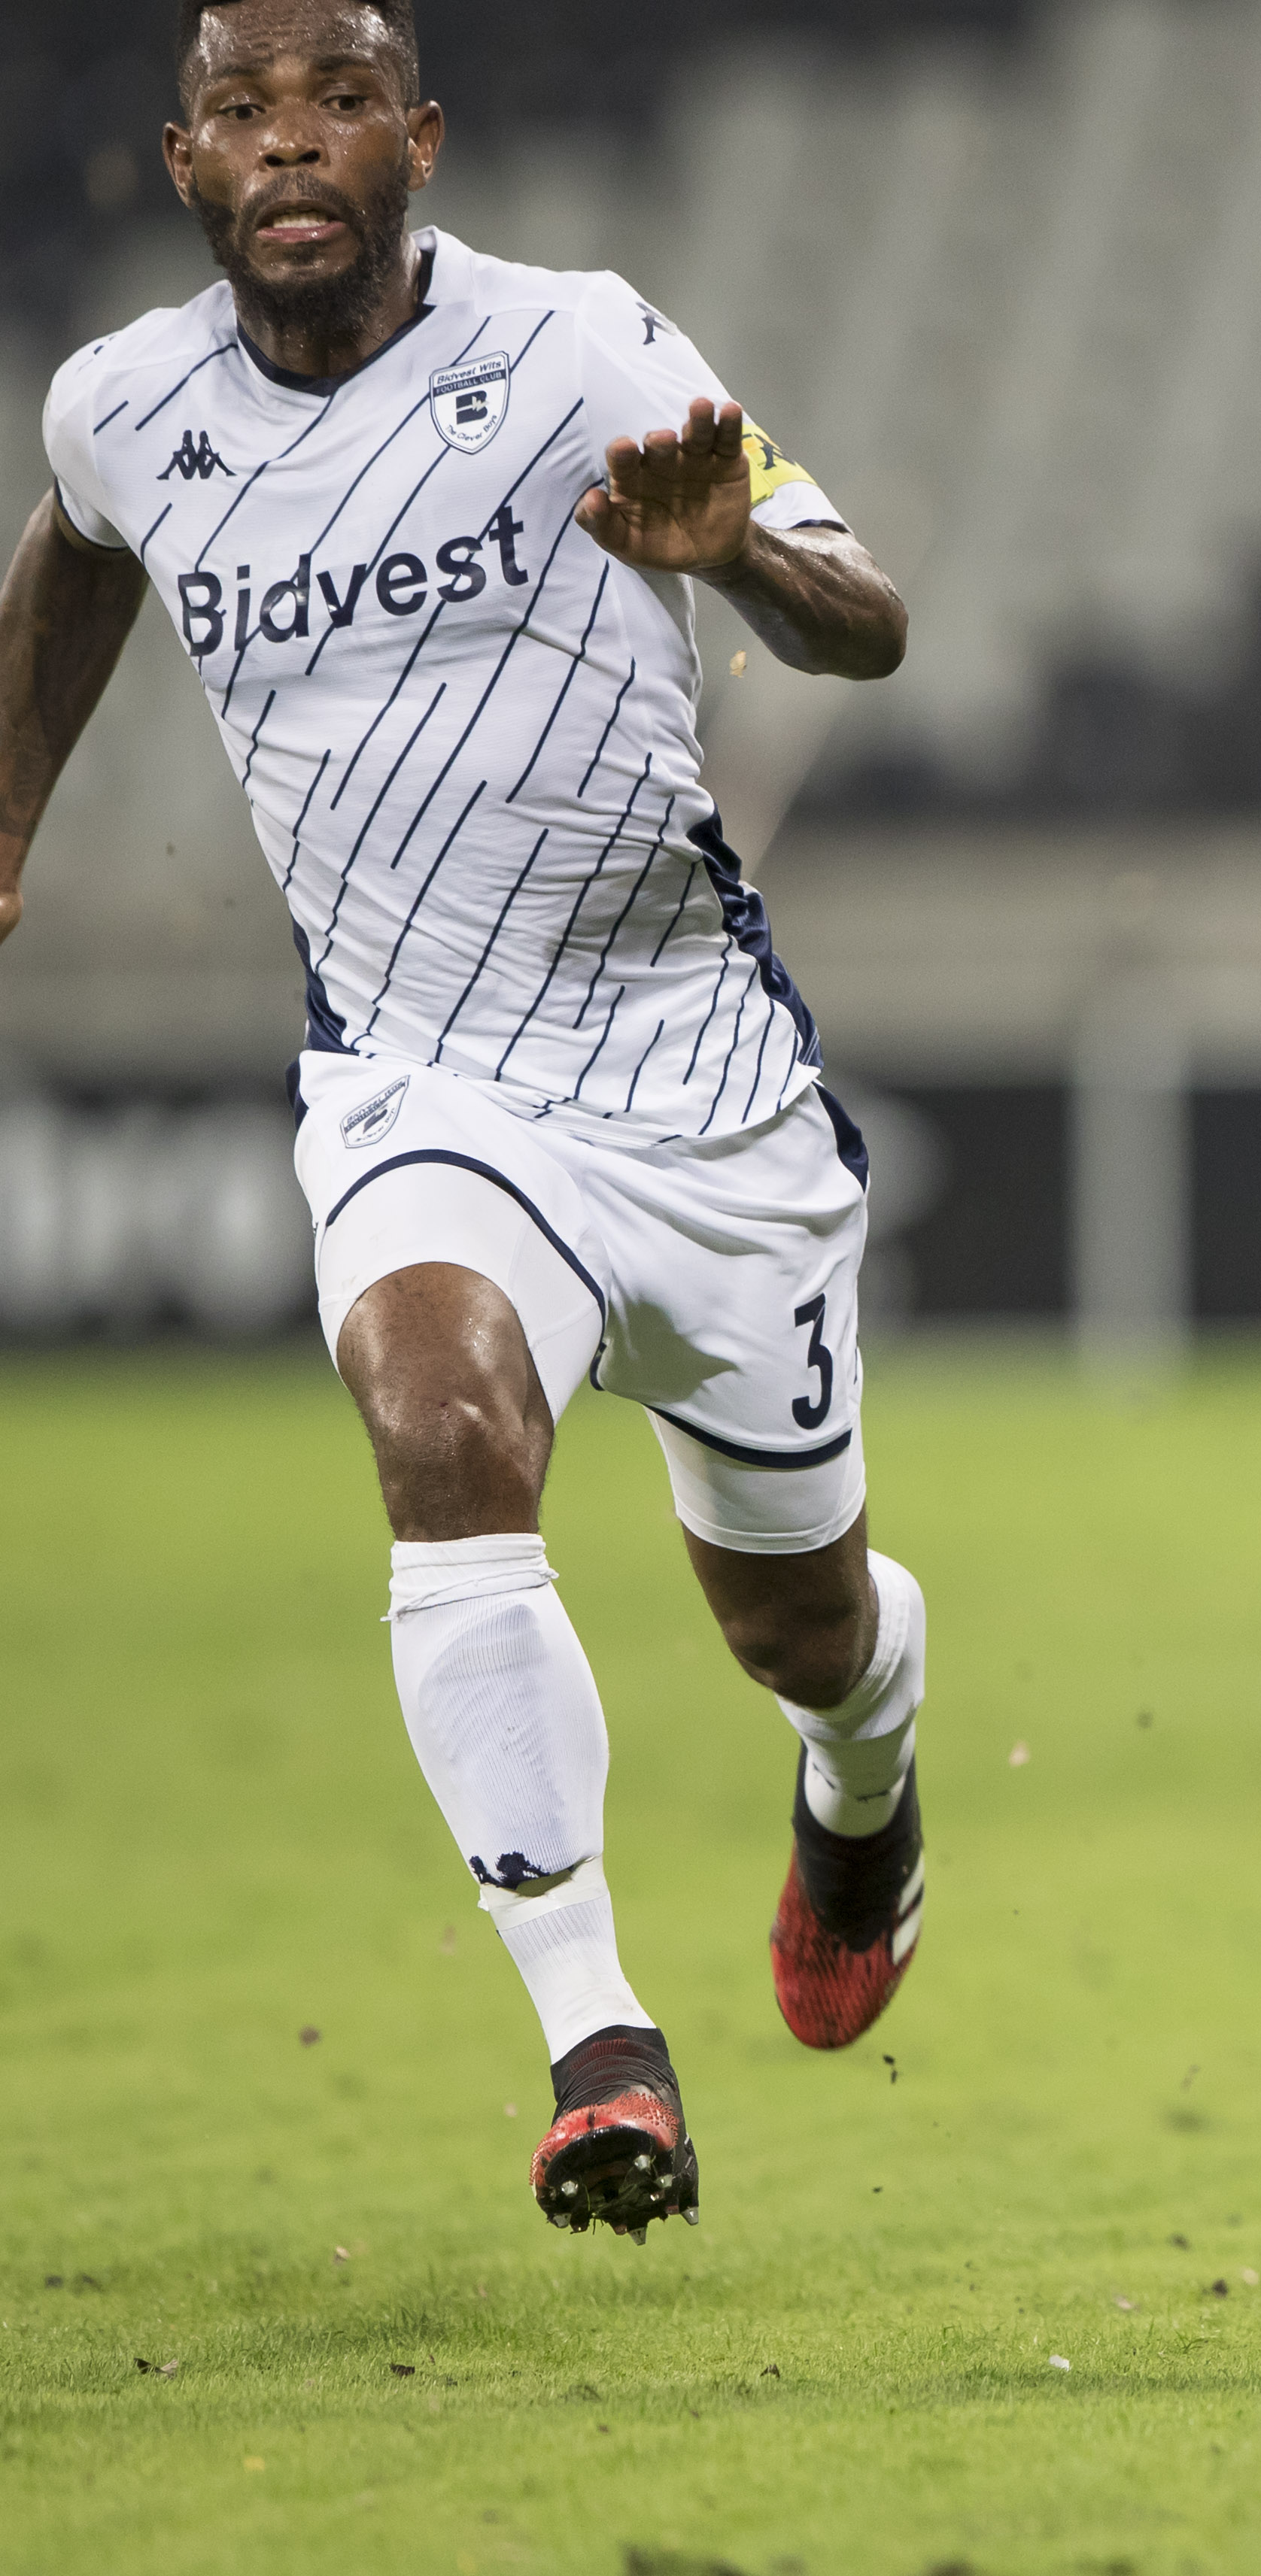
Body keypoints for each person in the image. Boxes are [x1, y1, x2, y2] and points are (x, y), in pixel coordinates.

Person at [0, 0, 928, 2242]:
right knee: (437, 1427)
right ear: (183, 161)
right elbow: (82, 550)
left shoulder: (581, 344)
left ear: (418, 142)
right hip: (421, 1077)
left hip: (702, 1091)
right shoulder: (121, 403)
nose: (289, 142)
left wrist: (736, 554)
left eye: (337, 103)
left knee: (799, 1630)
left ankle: (865, 1793)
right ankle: (598, 2044)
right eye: (241, 110)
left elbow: (868, 625)